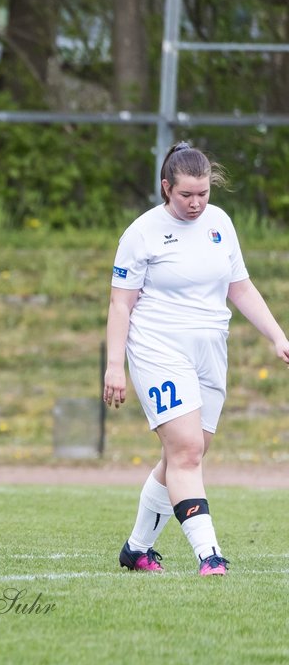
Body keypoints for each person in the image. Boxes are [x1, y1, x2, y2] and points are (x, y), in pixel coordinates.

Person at [104, 141, 289, 576]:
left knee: (185, 453)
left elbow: (239, 287)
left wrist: (278, 335)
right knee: (186, 449)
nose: (196, 203)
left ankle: (136, 549)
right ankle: (209, 555)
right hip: (158, 349)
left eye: (203, 193)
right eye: (186, 194)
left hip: (210, 351)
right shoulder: (142, 232)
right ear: (166, 187)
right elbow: (120, 304)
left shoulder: (220, 223)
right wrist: (115, 365)